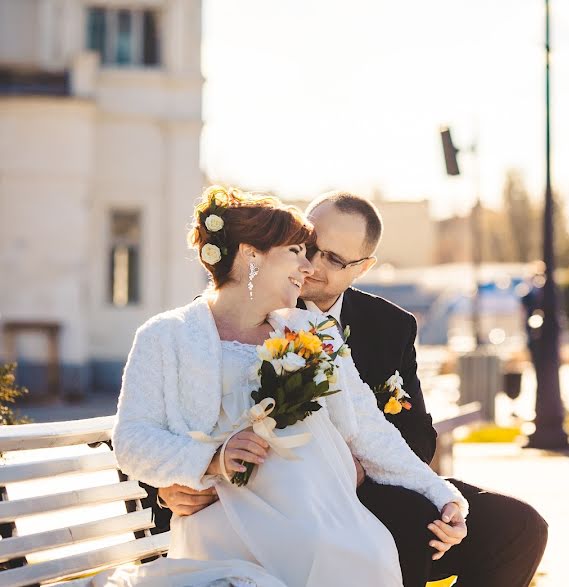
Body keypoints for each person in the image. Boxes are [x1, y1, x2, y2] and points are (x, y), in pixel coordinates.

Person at [161, 191, 548, 587]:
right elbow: (164, 417)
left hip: (375, 482)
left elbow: (415, 435)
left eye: (333, 259)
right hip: (279, 498)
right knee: (413, 523)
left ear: (363, 267)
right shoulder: (233, 316)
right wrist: (168, 486)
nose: (310, 264)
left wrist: (376, 474)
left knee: (520, 528)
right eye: (307, 246)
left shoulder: (389, 325)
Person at [110, 186, 468, 586]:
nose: (307, 268)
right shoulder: (167, 335)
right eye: (296, 253)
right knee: (330, 552)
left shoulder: (312, 330)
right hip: (229, 516)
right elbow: (131, 440)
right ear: (251, 254)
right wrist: (211, 457)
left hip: (322, 512)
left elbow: (369, 429)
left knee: (366, 551)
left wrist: (442, 494)